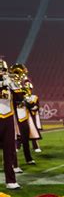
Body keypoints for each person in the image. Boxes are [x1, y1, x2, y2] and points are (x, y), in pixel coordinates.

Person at [0, 59, 21, 189]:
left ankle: (11, 181)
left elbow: (20, 99)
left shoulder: (9, 83)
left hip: (7, 118)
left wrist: (13, 86)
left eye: (3, 70)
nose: (1, 72)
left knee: (9, 151)